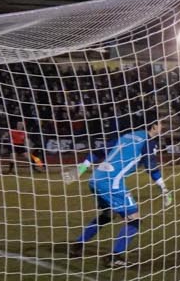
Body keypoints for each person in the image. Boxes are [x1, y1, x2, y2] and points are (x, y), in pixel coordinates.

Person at [66, 113, 172, 268]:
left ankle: (77, 246)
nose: (163, 127)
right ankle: (114, 257)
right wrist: (164, 189)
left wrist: (79, 170)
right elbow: (151, 167)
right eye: (161, 124)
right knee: (134, 219)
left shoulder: (127, 136)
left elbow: (98, 152)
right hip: (111, 182)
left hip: (96, 179)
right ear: (154, 126)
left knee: (108, 215)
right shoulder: (148, 142)